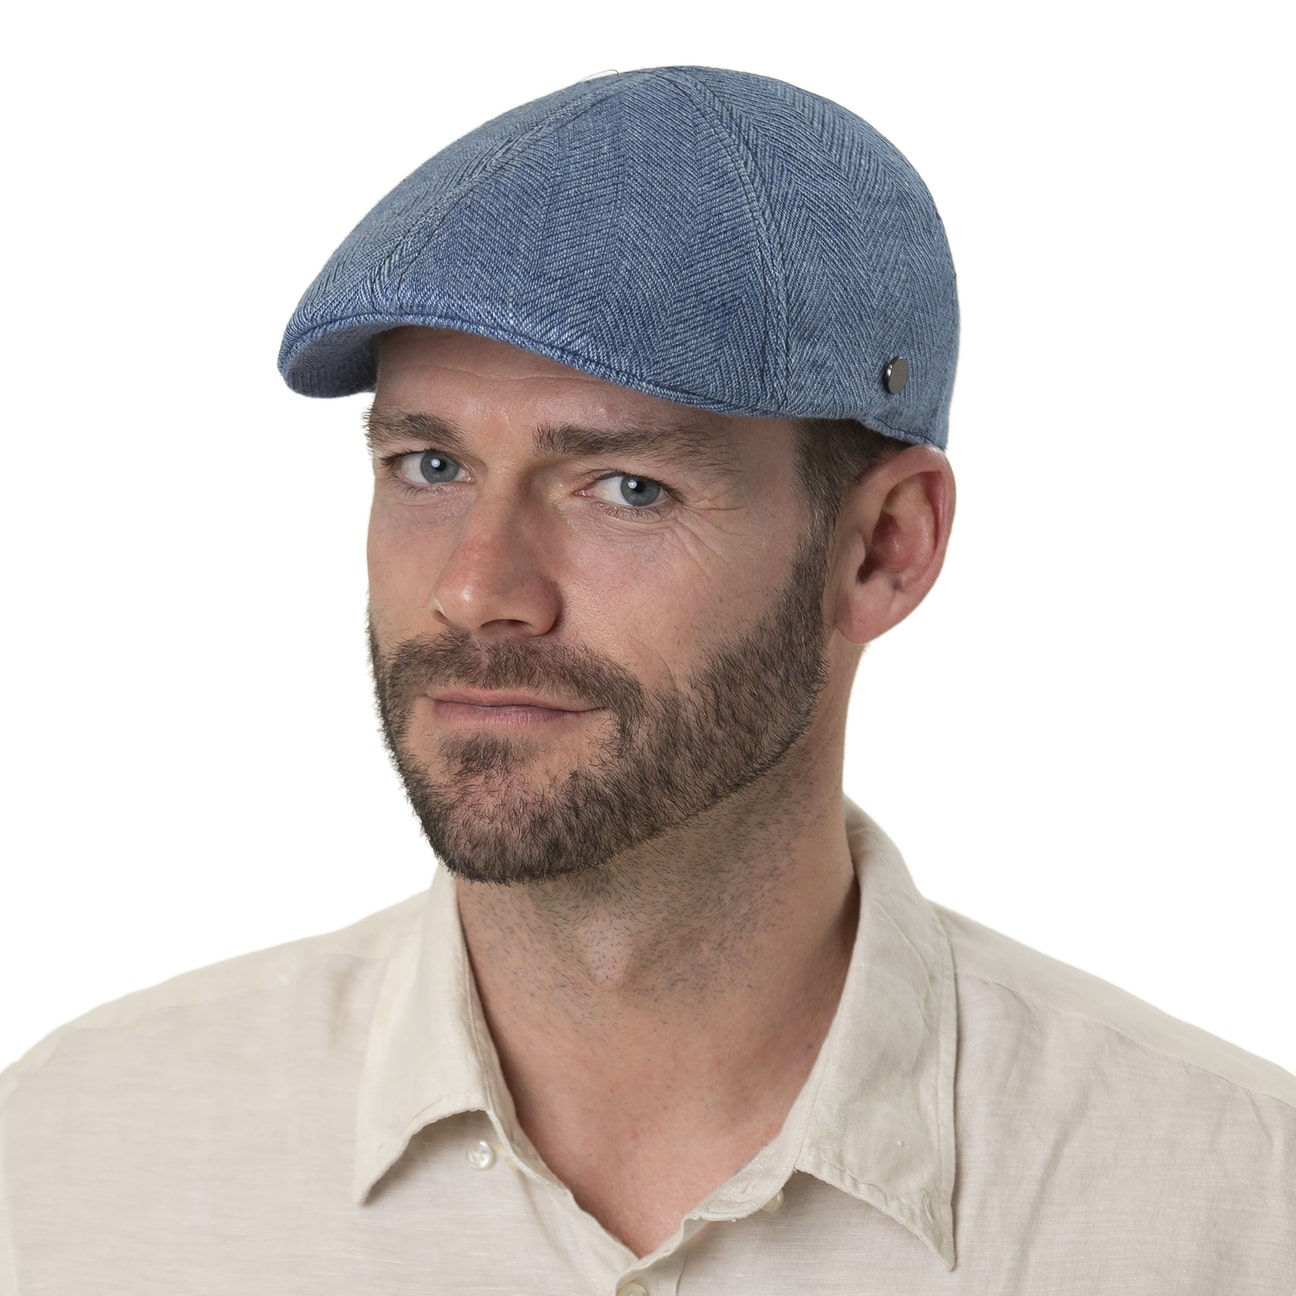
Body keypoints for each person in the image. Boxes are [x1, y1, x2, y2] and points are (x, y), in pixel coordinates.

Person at [1, 66, 1292, 1294]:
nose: (476, 590)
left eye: (626, 487)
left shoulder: (1234, 1208)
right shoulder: (71, 1165)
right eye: (430, 468)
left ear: (882, 550)